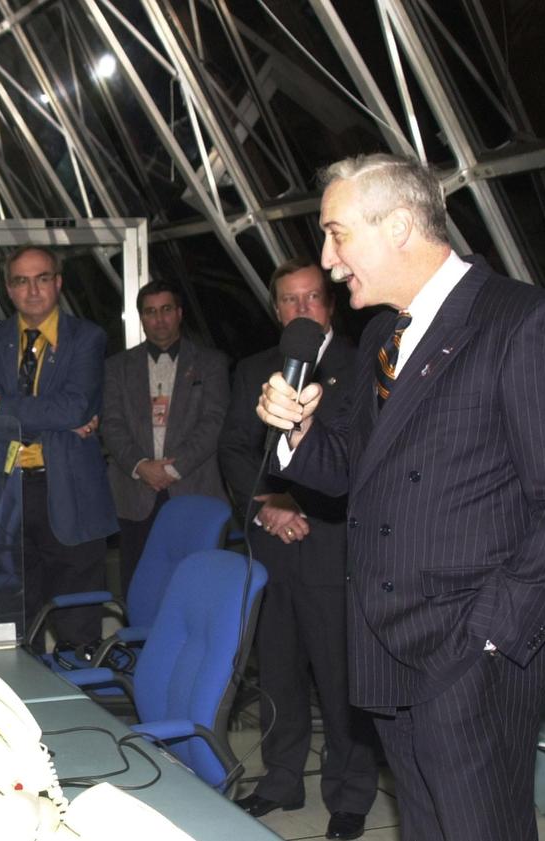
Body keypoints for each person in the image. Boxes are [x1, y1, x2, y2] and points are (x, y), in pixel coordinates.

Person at [257, 153, 545, 841]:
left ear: (396, 226)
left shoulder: (524, 322)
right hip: (388, 646)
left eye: (337, 234)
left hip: (468, 655)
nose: (329, 261)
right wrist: (300, 430)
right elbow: (355, 469)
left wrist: (488, 636)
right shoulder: (384, 338)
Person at [219, 258, 376, 839]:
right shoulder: (257, 370)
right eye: (289, 300)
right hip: (273, 546)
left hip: (333, 547)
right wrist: (269, 505)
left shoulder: (362, 366)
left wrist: (302, 505)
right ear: (276, 308)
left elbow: (363, 458)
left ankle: (350, 795)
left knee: (339, 681)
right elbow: (235, 448)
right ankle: (281, 779)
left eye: (312, 298)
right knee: (278, 672)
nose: (301, 309)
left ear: (329, 305)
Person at [0, 245, 116, 647]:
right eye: (21, 281)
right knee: (10, 621)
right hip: (7, 495)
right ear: (9, 289)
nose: (32, 290)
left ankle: (78, 707)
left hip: (70, 496)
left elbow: (76, 406)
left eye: (42, 278)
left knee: (76, 626)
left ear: (58, 283)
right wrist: (57, 423)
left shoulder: (88, 338)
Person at [101, 279, 229, 595]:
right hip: (135, 494)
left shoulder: (211, 363)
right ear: (141, 318)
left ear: (180, 313)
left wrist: (172, 469)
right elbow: (111, 423)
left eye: (166, 310)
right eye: (150, 312)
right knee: (140, 586)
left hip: (193, 488)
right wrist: (141, 465)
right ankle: (141, 644)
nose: (159, 319)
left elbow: (215, 422)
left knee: (197, 586)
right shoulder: (116, 367)